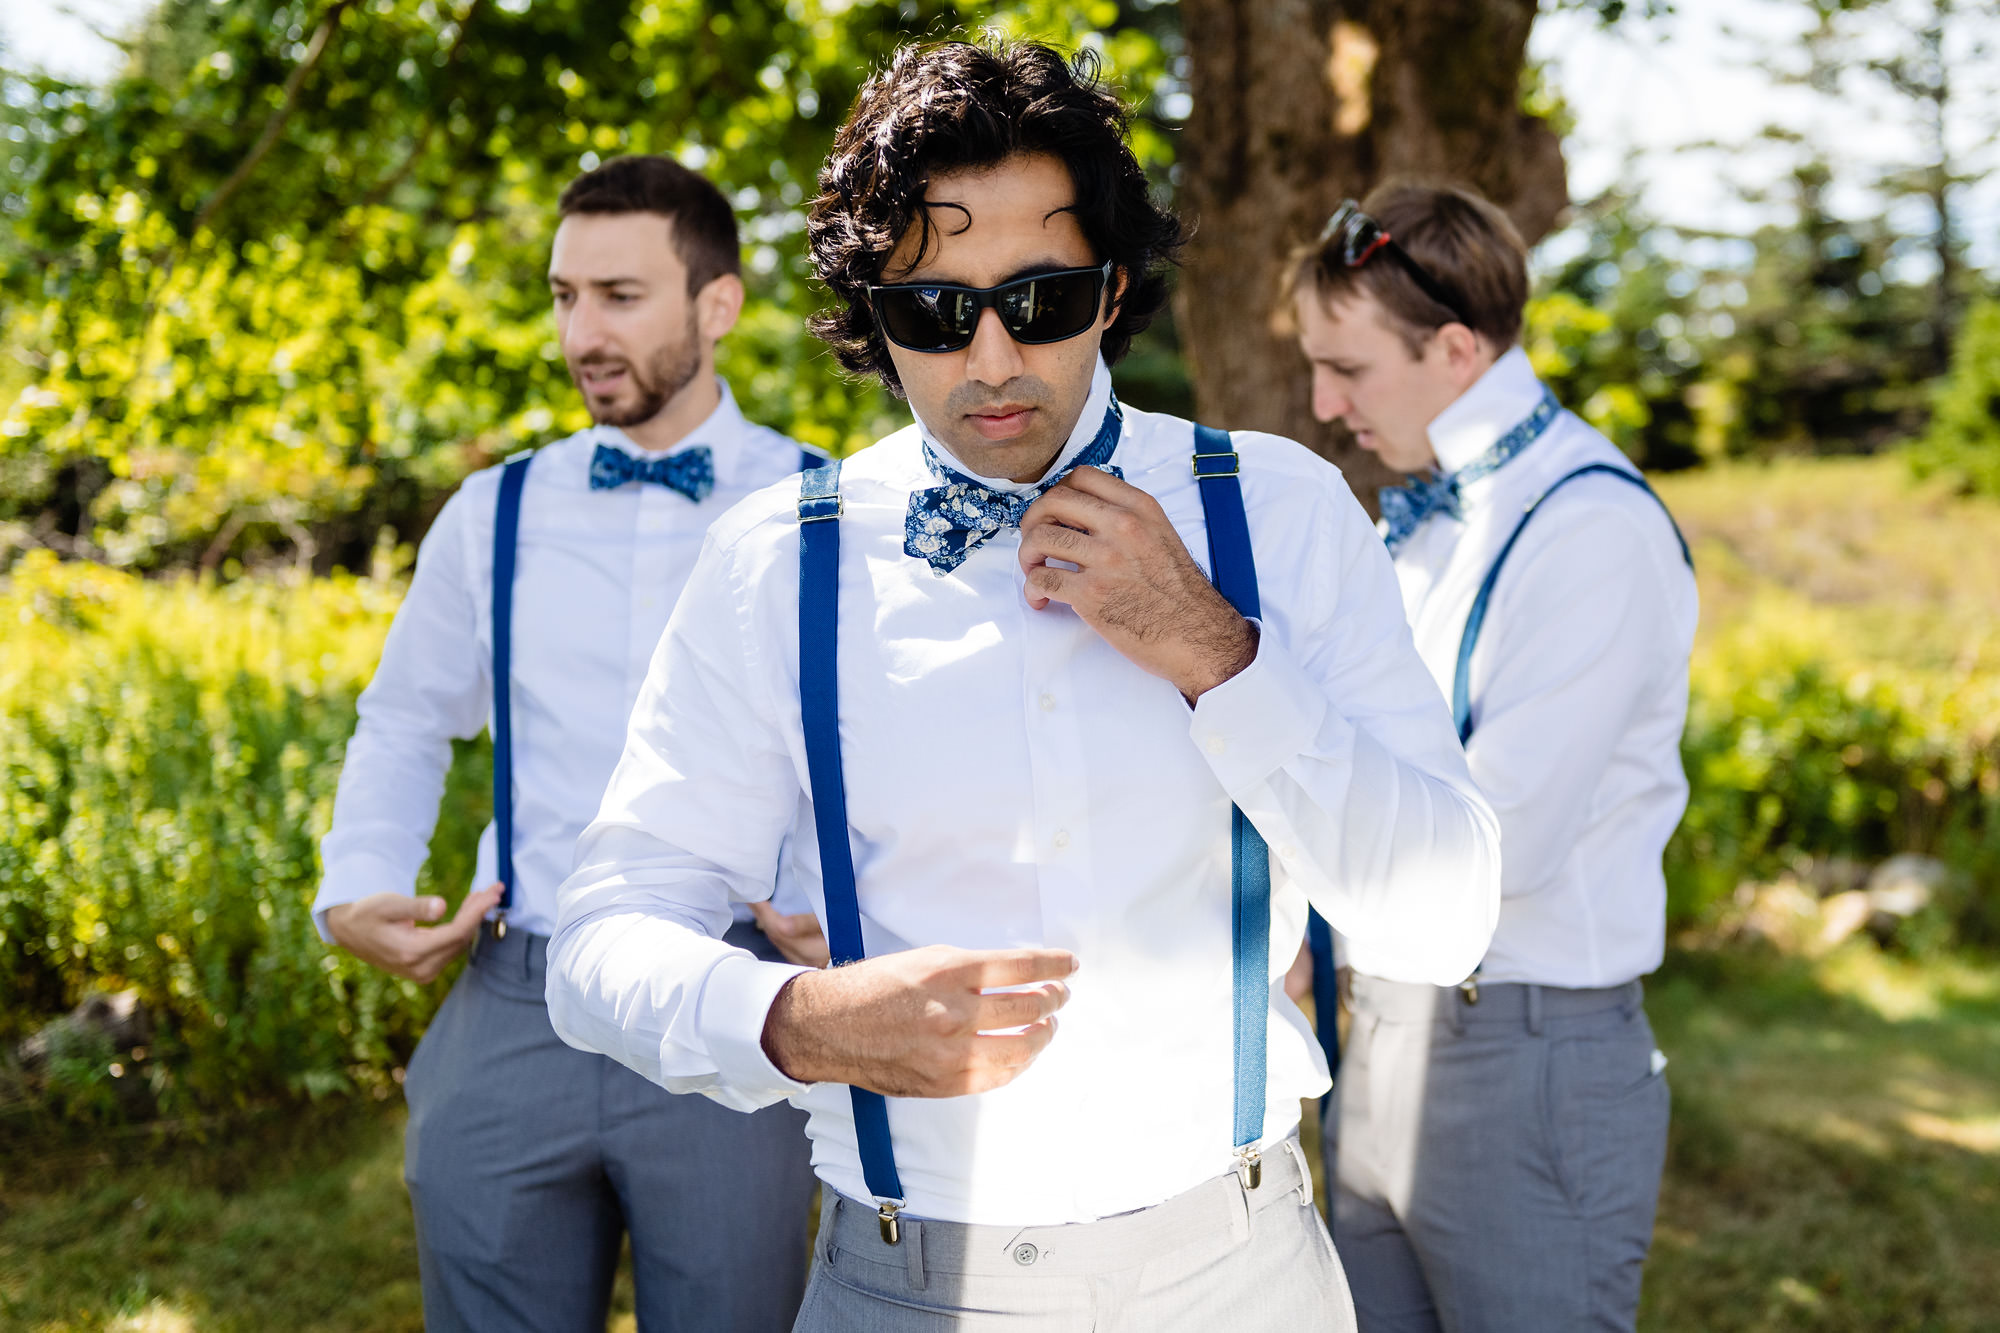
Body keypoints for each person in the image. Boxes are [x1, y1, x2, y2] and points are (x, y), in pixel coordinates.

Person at [546, 40, 1501, 1332]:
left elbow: (1445, 919)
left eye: (1039, 300)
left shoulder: (1280, 514)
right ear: (872, 324)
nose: (992, 359)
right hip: (906, 1284)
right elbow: (601, 937)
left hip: (1242, 1274)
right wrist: (796, 1019)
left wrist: (1218, 654)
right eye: (935, 313)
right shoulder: (778, 565)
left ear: (1111, 290)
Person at [311, 154, 822, 1333]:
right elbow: (403, 714)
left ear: (719, 304)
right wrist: (359, 879)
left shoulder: (822, 507)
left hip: (733, 989)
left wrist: (816, 898)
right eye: (562, 296)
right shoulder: (495, 511)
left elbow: (877, 743)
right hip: (514, 995)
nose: (581, 332)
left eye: (620, 297)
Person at [1286, 182, 1696, 1332]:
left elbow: (1492, 848)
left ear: (1455, 348)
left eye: (1348, 370)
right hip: (1381, 1029)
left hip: (1524, 1052)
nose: (1322, 404)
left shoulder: (1588, 529)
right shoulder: (1420, 522)